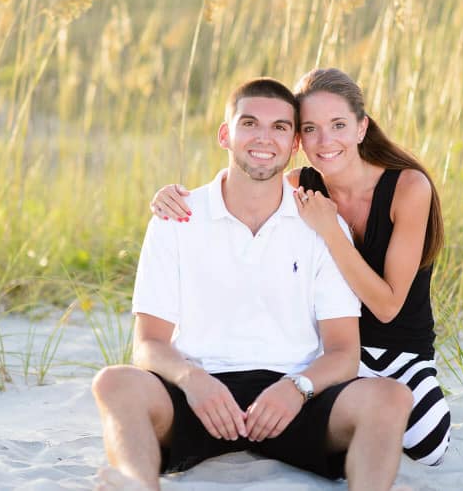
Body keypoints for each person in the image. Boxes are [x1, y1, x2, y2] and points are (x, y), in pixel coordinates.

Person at [91, 78, 413, 490]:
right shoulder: (176, 218)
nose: (264, 138)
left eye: (279, 127)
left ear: (294, 143)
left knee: (391, 396)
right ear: (226, 134)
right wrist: (193, 380)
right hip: (200, 396)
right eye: (250, 123)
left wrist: (297, 388)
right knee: (114, 382)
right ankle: (137, 485)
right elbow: (148, 344)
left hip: (295, 397)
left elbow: (343, 351)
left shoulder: (320, 223)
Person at [146, 68, 453, 466]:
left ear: (361, 128)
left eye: (338, 125)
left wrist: (330, 231)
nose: (325, 141)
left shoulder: (409, 188)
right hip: (332, 352)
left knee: (426, 448)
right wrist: (171, 197)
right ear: (297, 140)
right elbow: (242, 181)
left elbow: (387, 306)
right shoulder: (298, 183)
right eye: (311, 128)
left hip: (397, 349)